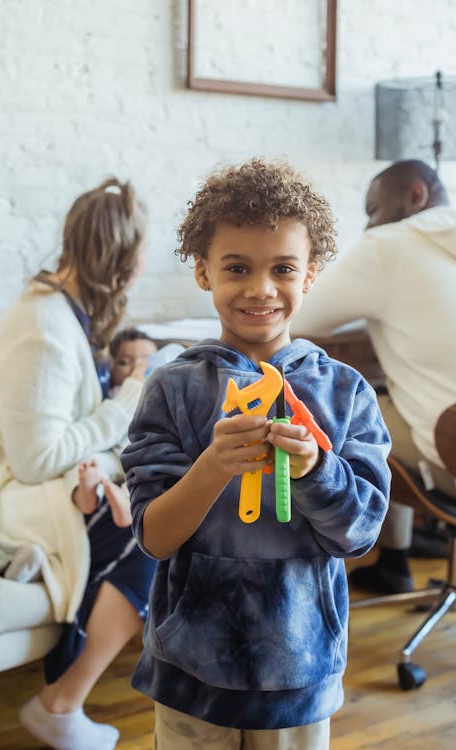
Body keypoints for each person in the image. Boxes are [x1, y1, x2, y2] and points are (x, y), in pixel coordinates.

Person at [121, 158, 391, 749]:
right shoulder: (172, 387)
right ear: (203, 272)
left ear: (311, 274)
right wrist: (213, 466)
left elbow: (362, 535)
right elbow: (155, 537)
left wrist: (319, 470)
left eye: (284, 269)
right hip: (192, 675)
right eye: (237, 267)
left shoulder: (345, 393)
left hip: (299, 672)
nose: (260, 289)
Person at [0, 178, 157, 750]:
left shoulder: (62, 314)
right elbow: (35, 457)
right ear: (118, 258)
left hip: (23, 483)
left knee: (154, 507)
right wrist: (123, 406)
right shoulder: (43, 330)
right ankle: (60, 704)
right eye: (139, 253)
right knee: (148, 534)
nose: (144, 264)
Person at [292, 159, 456, 595]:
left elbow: (292, 313)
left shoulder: (391, 243)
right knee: (380, 398)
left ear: (414, 196)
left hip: (449, 453)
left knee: (345, 407)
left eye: (372, 210)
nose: (368, 225)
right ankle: (394, 561)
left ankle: (306, 579)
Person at [108, 326, 158, 397]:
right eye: (124, 362)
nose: (137, 368)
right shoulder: (115, 397)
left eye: (148, 360)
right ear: (112, 368)